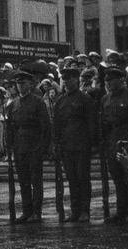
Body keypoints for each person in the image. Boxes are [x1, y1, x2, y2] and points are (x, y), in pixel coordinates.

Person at [52, 67, 97, 222]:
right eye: (65, 80)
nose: (67, 82)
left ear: (77, 80)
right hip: (66, 145)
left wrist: (92, 143)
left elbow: (91, 122)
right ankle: (75, 210)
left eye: (70, 79)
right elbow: (56, 124)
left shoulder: (85, 99)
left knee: (83, 178)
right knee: (71, 178)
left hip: (82, 144)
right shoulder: (60, 101)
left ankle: (85, 210)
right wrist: (56, 143)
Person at [100, 67, 128, 224]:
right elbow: (103, 123)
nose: (109, 83)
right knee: (117, 177)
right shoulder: (105, 99)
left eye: (112, 80)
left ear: (121, 80)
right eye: (107, 81)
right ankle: (121, 211)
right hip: (112, 139)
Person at [9, 70, 51, 223]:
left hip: (34, 145)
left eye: (23, 83)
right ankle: (26, 211)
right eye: (18, 83)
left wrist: (45, 148)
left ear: (31, 84)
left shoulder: (38, 102)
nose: (20, 86)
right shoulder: (13, 104)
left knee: (35, 181)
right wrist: (11, 148)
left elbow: (45, 126)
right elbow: (11, 128)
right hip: (20, 146)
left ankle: (36, 211)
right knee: (23, 181)